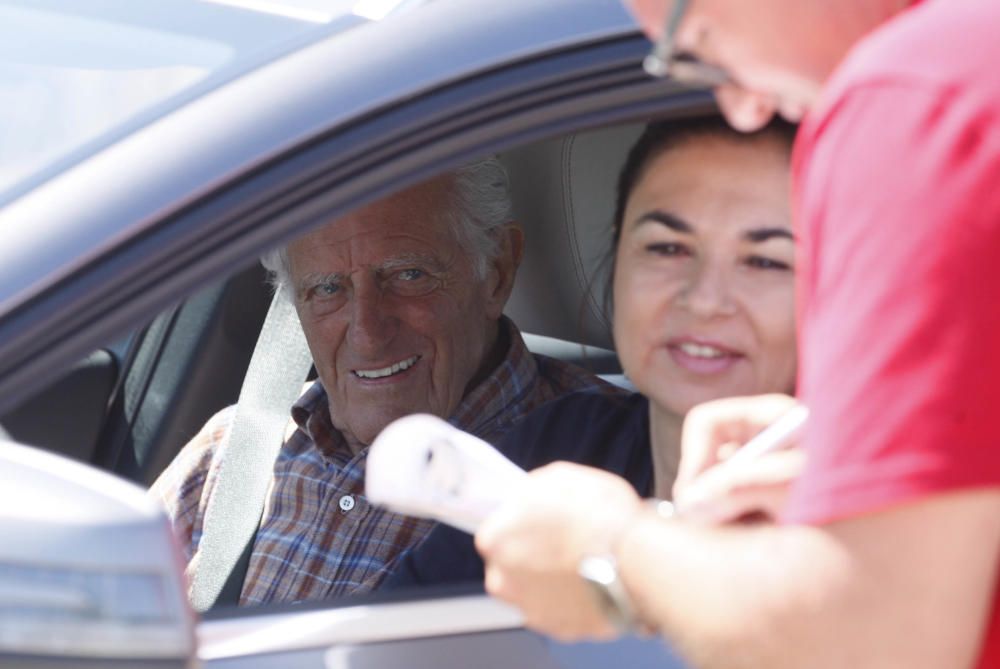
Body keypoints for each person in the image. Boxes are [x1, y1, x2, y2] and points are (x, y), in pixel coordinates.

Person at [475, 1, 1000, 668]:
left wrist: (613, 555)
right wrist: (861, 461)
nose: (743, 107)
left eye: (688, 39)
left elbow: (877, 640)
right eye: (666, 248)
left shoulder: (911, 98)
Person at [149, 157, 618, 606]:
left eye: (409, 275)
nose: (368, 335)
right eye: (329, 289)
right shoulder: (236, 448)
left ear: (496, 272)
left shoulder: (614, 459)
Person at [384, 115, 797, 589]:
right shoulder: (557, 449)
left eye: (765, 261)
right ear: (617, 258)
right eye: (667, 248)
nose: (703, 298)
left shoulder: (866, 505)